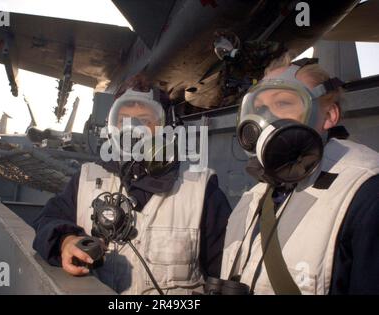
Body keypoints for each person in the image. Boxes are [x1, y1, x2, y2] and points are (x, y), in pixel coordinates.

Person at [33, 76, 232, 294]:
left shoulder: (201, 190)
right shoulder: (87, 178)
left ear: (166, 129)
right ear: (113, 126)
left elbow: (225, 273)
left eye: (145, 121)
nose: (132, 129)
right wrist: (66, 240)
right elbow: (47, 220)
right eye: (124, 119)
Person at [219, 54, 379, 295]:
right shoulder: (255, 195)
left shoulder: (365, 192)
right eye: (260, 107)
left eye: (283, 103)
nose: (266, 118)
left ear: (329, 115)